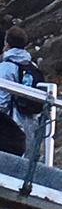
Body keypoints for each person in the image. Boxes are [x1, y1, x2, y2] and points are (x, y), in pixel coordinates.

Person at [0, 26, 42, 154]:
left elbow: (2, 100)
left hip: (11, 125)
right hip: (30, 122)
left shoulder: (5, 67)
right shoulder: (31, 66)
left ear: (7, 44)